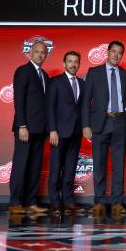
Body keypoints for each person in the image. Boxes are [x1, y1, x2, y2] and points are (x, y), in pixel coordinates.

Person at [81, 41, 126, 219]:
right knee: (99, 164)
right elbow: (86, 101)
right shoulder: (94, 73)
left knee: (118, 166)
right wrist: (86, 125)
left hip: (120, 123)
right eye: (114, 51)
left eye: (120, 53)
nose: (116, 55)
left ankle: (117, 203)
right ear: (107, 52)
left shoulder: (125, 75)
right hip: (100, 123)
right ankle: (99, 202)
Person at [8, 41, 50, 214]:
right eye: (37, 52)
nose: (40, 55)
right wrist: (22, 125)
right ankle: (16, 203)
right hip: (25, 128)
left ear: (46, 55)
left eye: (43, 52)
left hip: (40, 129)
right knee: (20, 166)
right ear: (30, 53)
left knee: (34, 167)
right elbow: (19, 100)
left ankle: (31, 202)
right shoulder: (23, 71)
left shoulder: (45, 76)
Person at [47, 51, 85, 216]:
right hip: (59, 133)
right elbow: (49, 108)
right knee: (56, 169)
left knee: (70, 170)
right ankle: (55, 203)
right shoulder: (55, 82)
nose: (73, 64)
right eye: (69, 61)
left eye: (76, 61)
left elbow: (83, 109)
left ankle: (69, 202)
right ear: (64, 63)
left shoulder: (82, 84)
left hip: (76, 133)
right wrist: (52, 130)